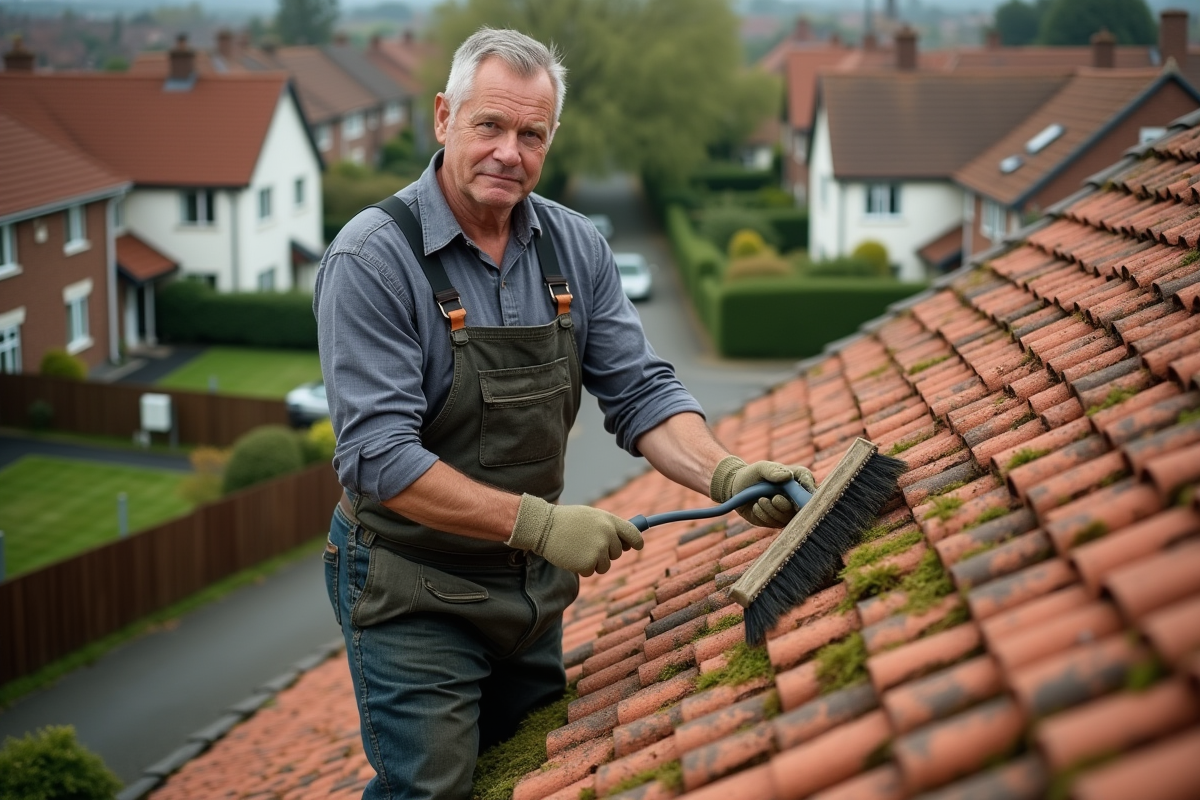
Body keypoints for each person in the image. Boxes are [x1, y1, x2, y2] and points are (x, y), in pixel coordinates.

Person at [314, 27, 816, 800]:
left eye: (531, 133)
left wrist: (726, 472)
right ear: (443, 117)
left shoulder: (575, 247)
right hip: (411, 585)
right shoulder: (372, 259)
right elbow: (378, 458)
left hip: (527, 592)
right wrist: (543, 526)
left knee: (537, 769)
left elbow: (641, 391)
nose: (508, 151)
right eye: (489, 125)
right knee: (434, 789)